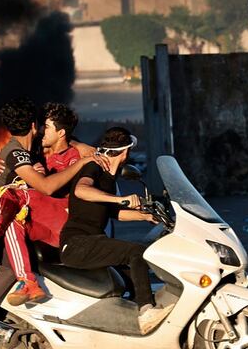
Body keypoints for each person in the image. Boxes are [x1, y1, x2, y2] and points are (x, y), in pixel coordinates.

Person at [0, 98, 104, 349]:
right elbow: (44, 187)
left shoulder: (32, 151)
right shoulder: (16, 154)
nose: (43, 131)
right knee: (9, 270)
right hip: (4, 224)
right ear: (34, 126)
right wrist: (78, 163)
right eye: (41, 126)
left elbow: (75, 144)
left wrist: (81, 150)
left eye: (48, 127)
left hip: (31, 222)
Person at [59, 126, 173, 335]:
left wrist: (146, 216)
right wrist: (120, 199)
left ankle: (131, 334)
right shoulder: (94, 166)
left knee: (130, 277)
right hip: (77, 243)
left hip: (92, 241)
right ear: (125, 152)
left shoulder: (110, 178)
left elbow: (113, 213)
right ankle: (147, 310)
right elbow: (81, 190)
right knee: (136, 252)